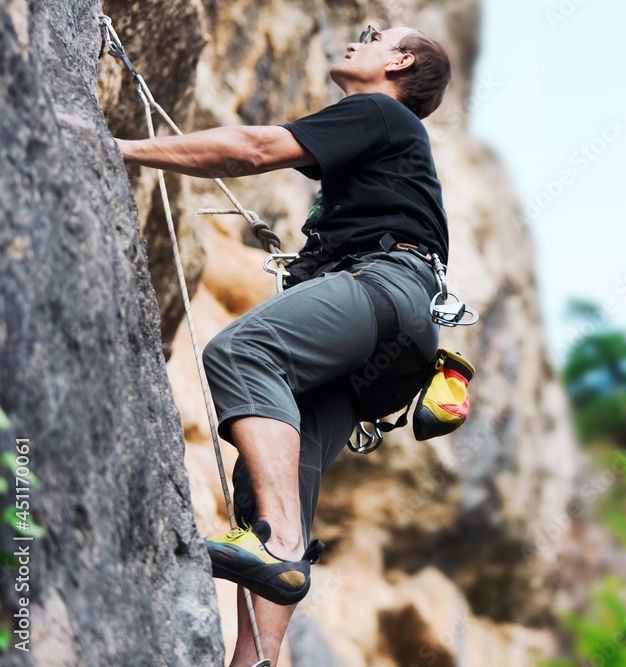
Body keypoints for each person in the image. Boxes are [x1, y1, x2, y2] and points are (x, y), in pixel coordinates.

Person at [116, 24, 452, 666]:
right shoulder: (389, 141)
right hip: (394, 339)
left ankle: (276, 542)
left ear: (401, 62)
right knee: (274, 478)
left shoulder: (380, 111)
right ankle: (259, 659)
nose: (359, 39)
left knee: (244, 354)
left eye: (375, 35)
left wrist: (123, 147)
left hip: (381, 289)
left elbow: (251, 148)